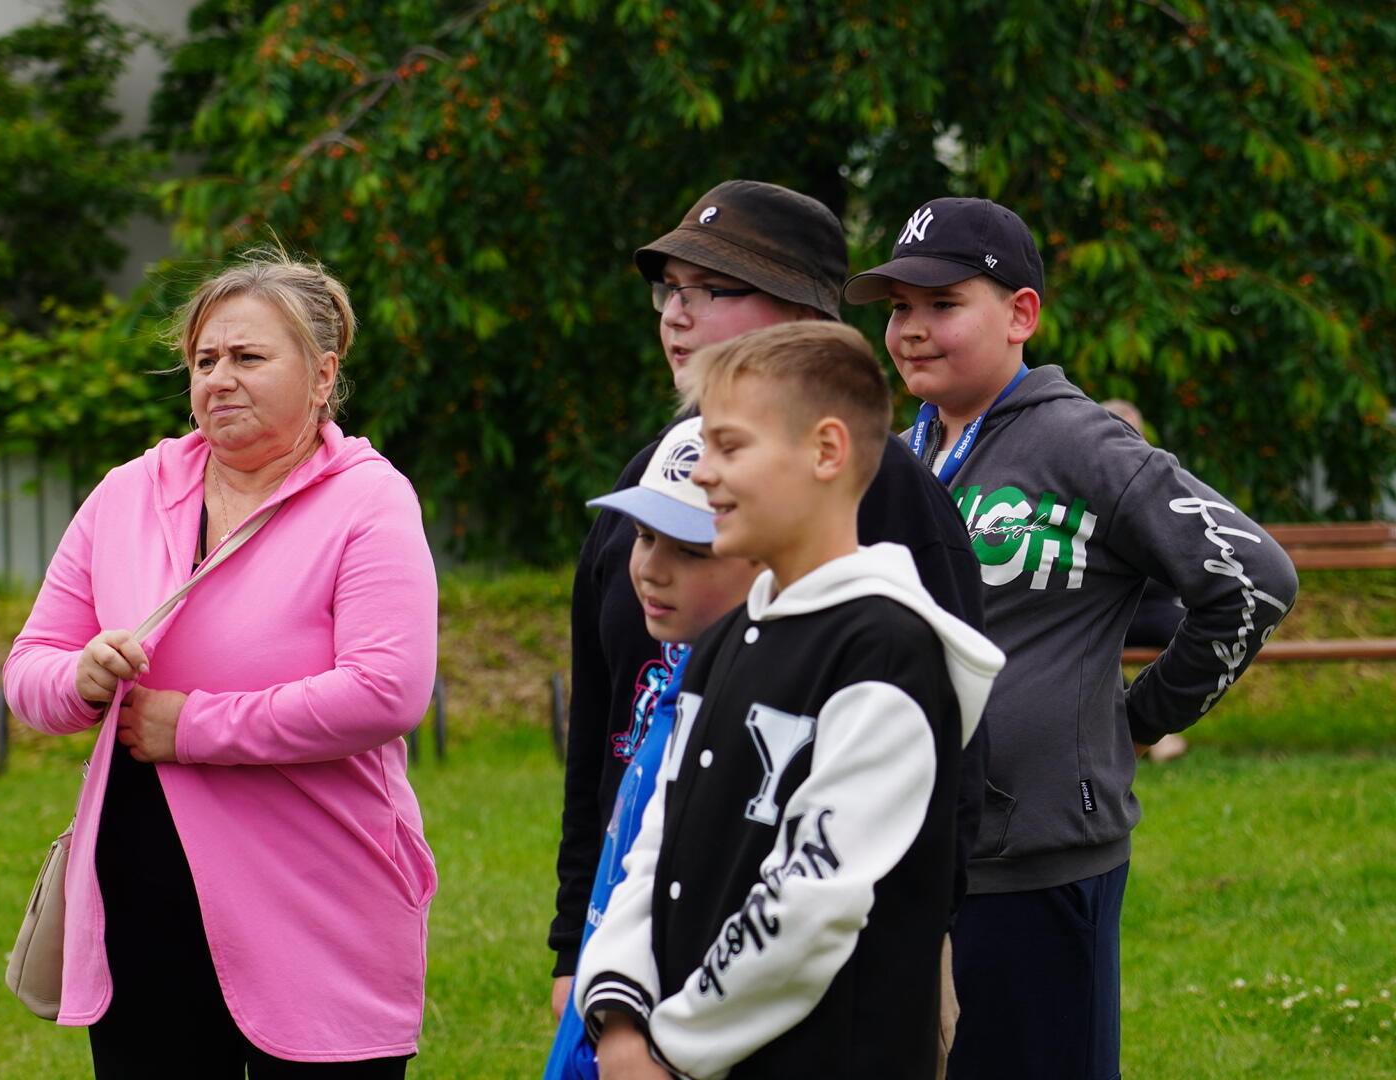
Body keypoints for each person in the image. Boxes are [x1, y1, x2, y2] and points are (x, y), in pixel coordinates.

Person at [843, 197, 1300, 1080]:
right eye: (898, 307)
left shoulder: (1081, 443)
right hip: (906, 855)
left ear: (1021, 314)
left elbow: (1254, 578)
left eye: (943, 303)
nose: (911, 329)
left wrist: (1141, 718)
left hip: (1039, 863)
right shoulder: (896, 457)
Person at [551, 182, 988, 1068]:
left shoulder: (887, 634)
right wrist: (608, 987)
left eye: (711, 290)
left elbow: (815, 899)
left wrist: (669, 1044)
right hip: (661, 1001)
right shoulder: (728, 630)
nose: (675, 314)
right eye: (669, 290)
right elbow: (641, 795)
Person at [3, 251, 438, 1077]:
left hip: (319, 898)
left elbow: (385, 692)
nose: (219, 380)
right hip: (139, 896)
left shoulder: (370, 500)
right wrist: (80, 679)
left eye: (248, 357)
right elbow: (30, 668)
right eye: (204, 360)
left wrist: (191, 727)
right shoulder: (126, 492)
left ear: (322, 375)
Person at [544, 416, 761, 1080]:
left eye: (691, 551)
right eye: (642, 536)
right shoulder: (680, 684)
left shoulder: (779, 701)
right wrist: (590, 969)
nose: (649, 569)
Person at [1101, 398, 1190, 764]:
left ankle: (1156, 721)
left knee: (1197, 633)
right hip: (1104, 607)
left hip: (1153, 606)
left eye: (1131, 432)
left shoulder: (1161, 482)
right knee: (1087, 638)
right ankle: (1143, 732)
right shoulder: (1082, 482)